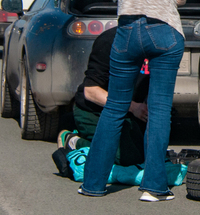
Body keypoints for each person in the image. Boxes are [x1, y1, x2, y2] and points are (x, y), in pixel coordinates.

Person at [79, 0, 188, 202]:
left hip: (127, 31)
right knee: (158, 110)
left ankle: (94, 184)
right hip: (165, 30)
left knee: (114, 107)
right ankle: (154, 187)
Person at [57, 27, 149, 168]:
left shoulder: (158, 44)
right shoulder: (110, 40)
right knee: (124, 158)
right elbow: (90, 91)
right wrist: (133, 107)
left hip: (128, 113)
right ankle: (72, 139)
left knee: (143, 156)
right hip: (94, 110)